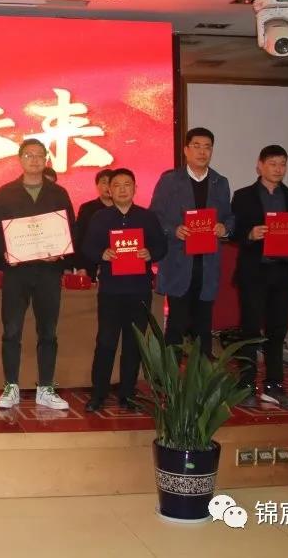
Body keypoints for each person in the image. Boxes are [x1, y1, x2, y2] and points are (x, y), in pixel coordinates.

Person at [0, 139, 76, 410]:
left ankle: (45, 388)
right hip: (17, 272)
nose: (35, 160)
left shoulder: (58, 193)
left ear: (46, 159)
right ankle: (11, 386)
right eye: (29, 155)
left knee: (48, 331)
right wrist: (5, 252)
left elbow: (69, 228)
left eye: (40, 155)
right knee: (11, 331)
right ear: (20, 159)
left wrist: (60, 251)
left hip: (48, 271)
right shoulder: (5, 193)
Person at [82, 169, 166, 412]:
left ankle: (127, 394)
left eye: (127, 184)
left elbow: (161, 246)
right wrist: (102, 254)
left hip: (139, 289)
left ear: (135, 188)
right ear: (109, 190)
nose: (122, 189)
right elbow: (87, 247)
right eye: (116, 185)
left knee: (133, 344)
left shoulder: (147, 217)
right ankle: (98, 394)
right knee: (106, 342)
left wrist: (150, 253)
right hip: (111, 290)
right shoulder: (100, 217)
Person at [231, 145, 288, 408]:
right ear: (260, 165)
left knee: (277, 331)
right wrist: (250, 234)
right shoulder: (243, 196)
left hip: (284, 272)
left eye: (282, 164)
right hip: (255, 273)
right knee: (250, 331)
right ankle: (245, 385)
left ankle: (274, 386)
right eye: (273, 163)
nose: (278, 169)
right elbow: (234, 232)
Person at [149, 127, 233, 358]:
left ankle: (201, 378)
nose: (202, 152)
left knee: (203, 328)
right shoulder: (169, 180)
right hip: (178, 263)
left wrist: (224, 228)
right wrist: (173, 229)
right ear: (186, 150)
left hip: (207, 265)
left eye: (207, 147)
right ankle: (170, 377)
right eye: (196, 146)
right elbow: (154, 215)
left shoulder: (220, 182)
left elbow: (229, 216)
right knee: (175, 327)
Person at [73, 168, 114, 278]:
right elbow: (79, 238)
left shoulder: (123, 209)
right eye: (104, 182)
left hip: (118, 266)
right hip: (91, 265)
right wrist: (81, 266)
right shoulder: (87, 208)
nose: (108, 186)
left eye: (111, 182)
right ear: (97, 186)